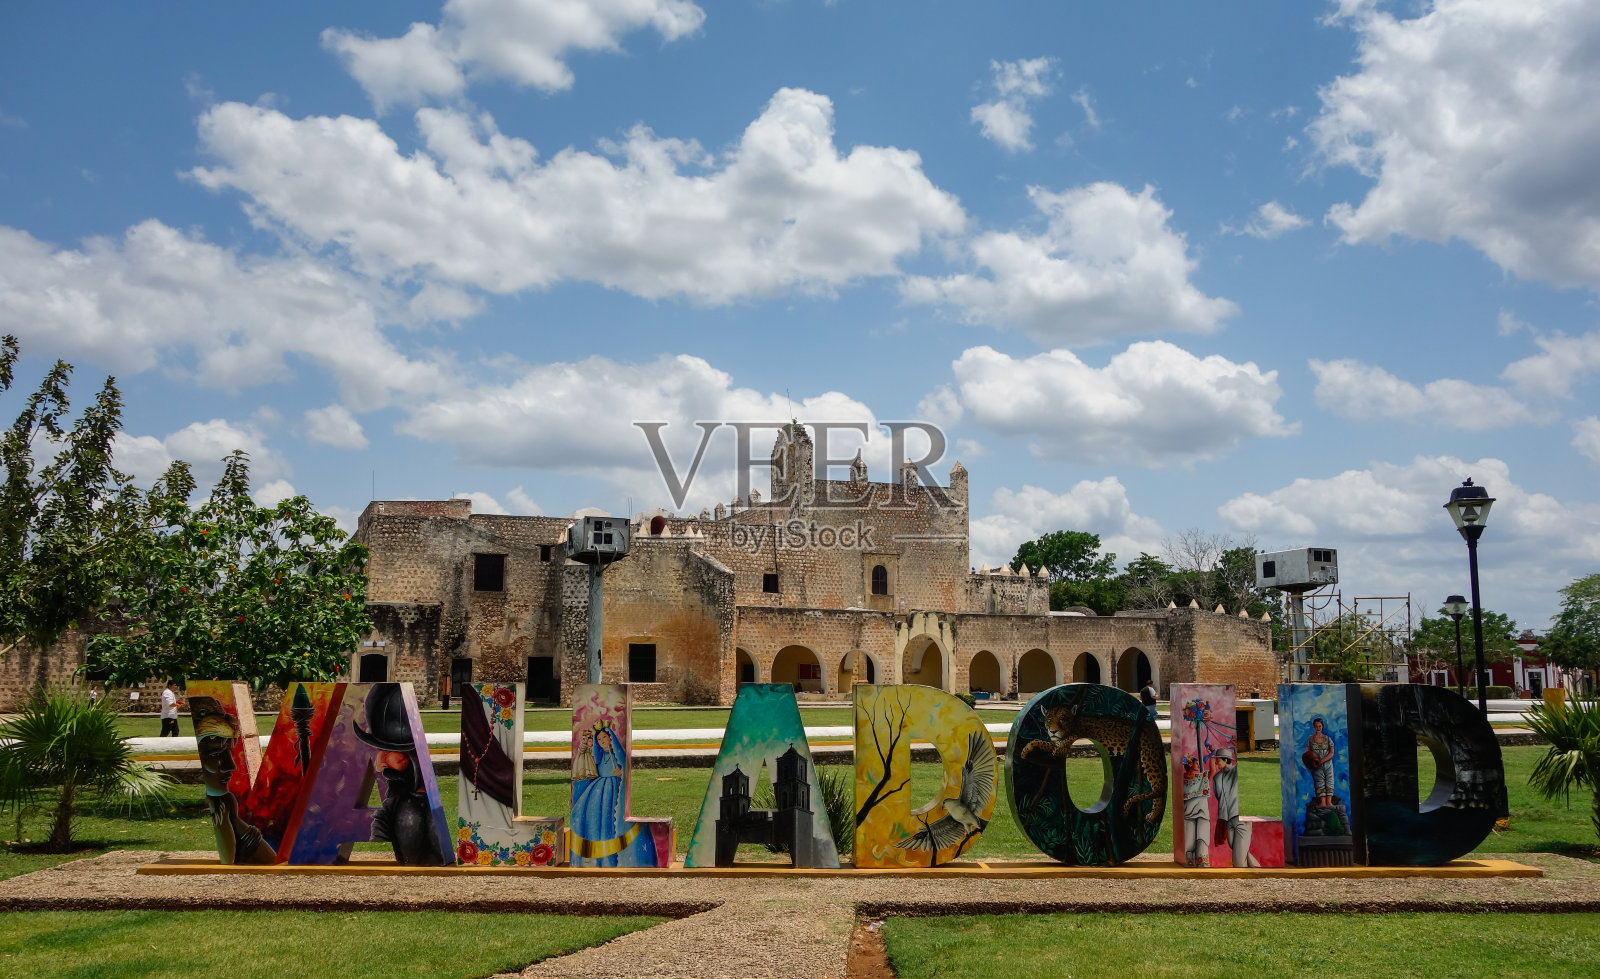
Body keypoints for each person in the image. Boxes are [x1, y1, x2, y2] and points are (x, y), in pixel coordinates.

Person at [192, 696, 276, 864]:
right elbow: (229, 859)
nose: (231, 766)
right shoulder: (224, 804)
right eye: (216, 755)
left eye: (228, 753)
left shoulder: (227, 803)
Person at [569, 720, 657, 867]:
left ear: (610, 737)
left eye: (605, 737)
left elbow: (624, 767)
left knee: (609, 818)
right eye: (599, 739)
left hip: (613, 788)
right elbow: (586, 757)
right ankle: (592, 854)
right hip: (598, 790)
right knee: (592, 816)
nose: (602, 741)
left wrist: (620, 772)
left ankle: (610, 855)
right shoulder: (599, 756)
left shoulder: (615, 755)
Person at [1302, 716, 1336, 808]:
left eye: (1320, 726)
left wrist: (1322, 760)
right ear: (1314, 727)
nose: (1318, 728)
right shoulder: (1310, 739)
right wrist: (1308, 763)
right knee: (1319, 782)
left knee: (1329, 781)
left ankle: (1329, 802)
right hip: (1316, 765)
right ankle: (1323, 802)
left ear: (1322, 726)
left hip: (1328, 764)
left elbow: (1332, 752)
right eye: (1316, 726)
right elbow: (1307, 752)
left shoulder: (1328, 739)